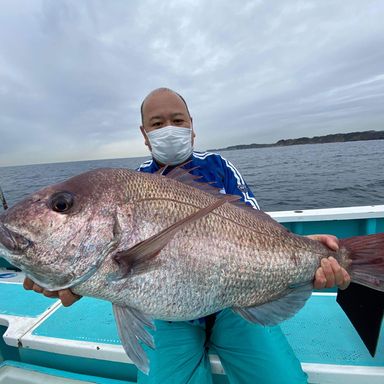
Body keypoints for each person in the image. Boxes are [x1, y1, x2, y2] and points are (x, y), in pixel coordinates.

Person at [24, 87, 351, 384]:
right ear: (144, 133)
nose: (168, 128)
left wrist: (306, 250)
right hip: (163, 314)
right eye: (156, 123)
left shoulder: (220, 167)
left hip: (237, 301)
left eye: (177, 120)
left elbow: (259, 229)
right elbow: (101, 263)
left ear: (191, 126)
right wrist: (68, 281)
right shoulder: (130, 183)